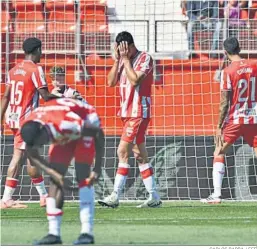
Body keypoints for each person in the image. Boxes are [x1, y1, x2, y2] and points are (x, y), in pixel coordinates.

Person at [20, 98, 104, 245]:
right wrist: (55, 174)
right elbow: (31, 153)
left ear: (42, 132)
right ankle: (54, 234)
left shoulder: (67, 124)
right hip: (61, 128)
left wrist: (97, 169)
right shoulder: (30, 123)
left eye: (38, 142)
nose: (38, 146)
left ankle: (87, 233)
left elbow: (98, 134)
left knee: (83, 175)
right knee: (54, 179)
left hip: (86, 122)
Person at [98, 31, 161, 208]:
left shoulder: (145, 58)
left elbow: (135, 80)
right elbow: (110, 82)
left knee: (122, 151)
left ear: (130, 46)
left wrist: (125, 60)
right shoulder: (121, 60)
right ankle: (154, 196)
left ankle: (115, 195)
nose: (122, 51)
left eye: (124, 48)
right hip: (126, 113)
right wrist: (118, 60)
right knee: (140, 155)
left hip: (138, 112)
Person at [0, 37, 59, 209]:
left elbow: (5, 96)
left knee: (32, 156)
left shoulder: (13, 70)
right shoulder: (36, 70)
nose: (42, 53)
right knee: (18, 157)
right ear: (37, 50)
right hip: (26, 120)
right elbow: (45, 96)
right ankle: (6, 199)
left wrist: (0, 117)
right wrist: (63, 96)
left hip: (13, 118)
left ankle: (43, 196)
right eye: (41, 50)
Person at [201, 37, 257, 204]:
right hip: (254, 117)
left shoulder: (227, 71)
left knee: (219, 151)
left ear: (225, 52)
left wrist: (219, 126)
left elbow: (224, 101)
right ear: (240, 49)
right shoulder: (254, 64)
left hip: (236, 119)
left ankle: (217, 195)